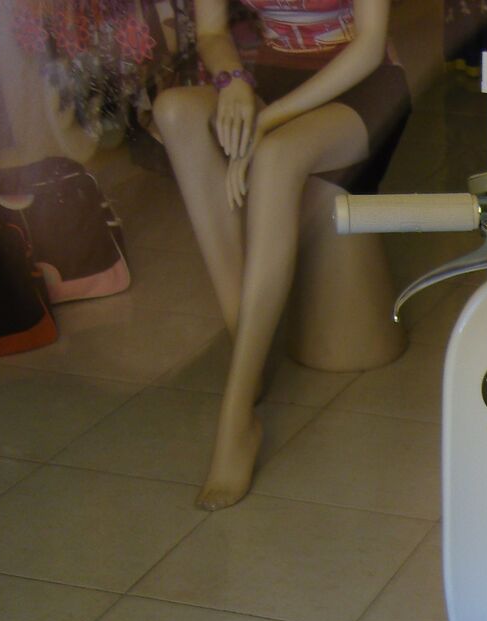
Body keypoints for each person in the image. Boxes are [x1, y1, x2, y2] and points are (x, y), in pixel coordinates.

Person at [152, 0, 409, 509]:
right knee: (175, 111)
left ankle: (236, 418)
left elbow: (369, 47)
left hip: (363, 88)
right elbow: (211, 31)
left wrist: (267, 120)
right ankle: (246, 343)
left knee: (272, 156)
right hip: (271, 79)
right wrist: (232, 81)